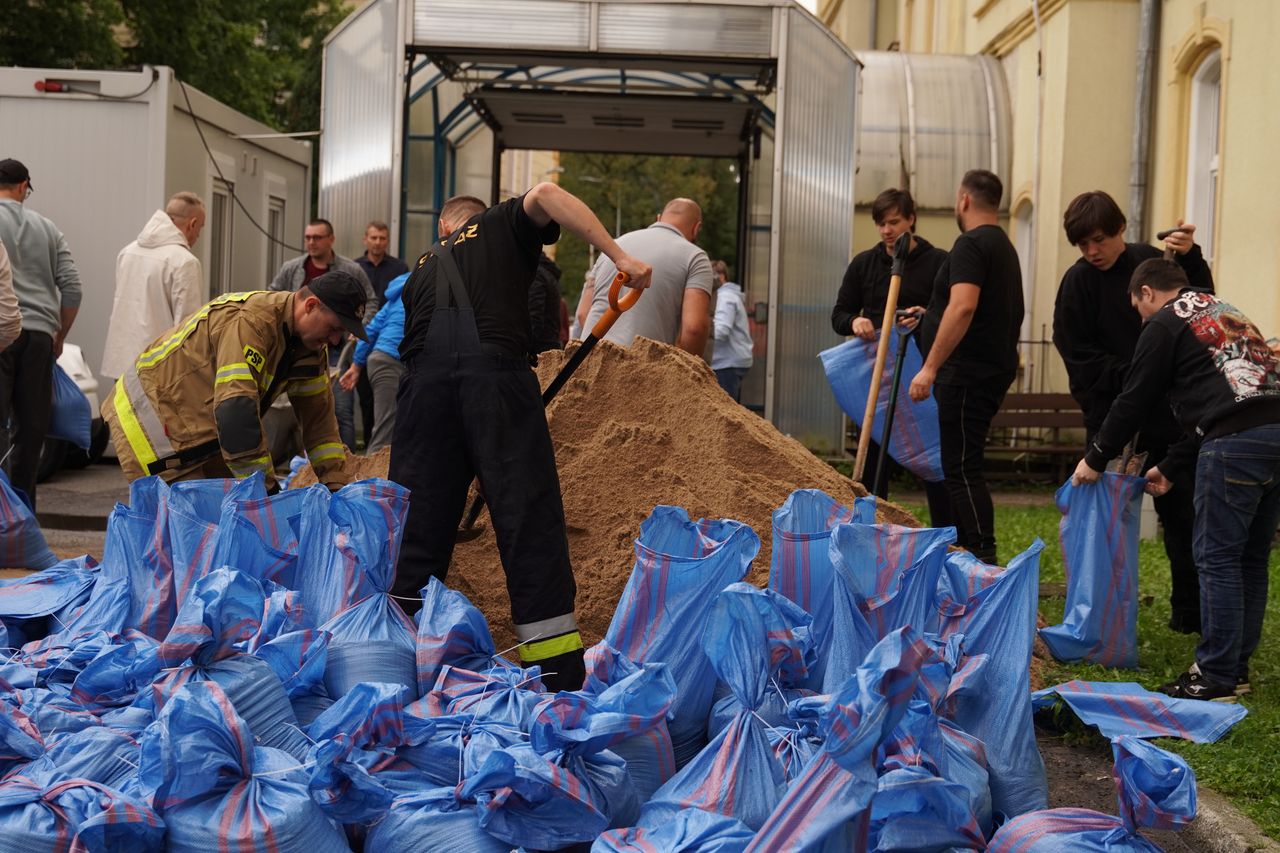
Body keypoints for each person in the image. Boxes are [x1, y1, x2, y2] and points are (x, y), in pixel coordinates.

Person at [391, 184, 652, 692]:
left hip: (421, 395)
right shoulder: (498, 224)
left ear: (442, 228)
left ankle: (399, 665)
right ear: (475, 221)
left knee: (416, 530)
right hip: (495, 381)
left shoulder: (419, 269)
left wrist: (474, 457)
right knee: (528, 523)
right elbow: (550, 192)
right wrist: (620, 256)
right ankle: (556, 679)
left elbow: (436, 359)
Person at [1072, 259, 1280, 701]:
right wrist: (1169, 465)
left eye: (1139, 310)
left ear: (1147, 292)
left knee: (1218, 558)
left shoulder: (1166, 322)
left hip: (1236, 443)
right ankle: (1235, 669)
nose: (1142, 320)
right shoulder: (1223, 310)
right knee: (1249, 558)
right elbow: (1223, 403)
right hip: (1273, 433)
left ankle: (1215, 675)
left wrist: (1095, 457)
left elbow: (1134, 397)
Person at [1053, 190, 1213, 634]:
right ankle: (1100, 613)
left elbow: (1198, 305)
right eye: (1082, 244)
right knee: (1103, 523)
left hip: (1171, 419)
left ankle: (1190, 614)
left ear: (1121, 229)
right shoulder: (1077, 282)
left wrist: (1192, 258)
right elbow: (1074, 349)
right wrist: (1133, 377)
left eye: (1099, 240)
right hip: (1110, 419)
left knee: (1183, 518)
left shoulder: (1149, 263)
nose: (1091, 252)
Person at [102, 271, 367, 494]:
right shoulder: (251, 322)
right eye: (333, 328)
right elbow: (236, 411)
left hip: (201, 429)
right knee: (194, 535)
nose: (334, 341)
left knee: (223, 530)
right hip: (150, 421)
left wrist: (335, 486)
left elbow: (319, 424)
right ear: (310, 306)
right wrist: (266, 490)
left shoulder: (310, 348)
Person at [909, 169, 1024, 565]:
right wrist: (930, 315)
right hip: (989, 370)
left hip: (966, 374)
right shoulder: (1003, 246)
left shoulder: (971, 244)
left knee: (960, 467)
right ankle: (968, 554)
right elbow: (981, 309)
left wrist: (930, 368)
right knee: (964, 464)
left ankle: (980, 557)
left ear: (963, 200)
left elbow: (964, 306)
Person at [832, 187, 951, 522]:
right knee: (874, 460)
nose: (887, 230)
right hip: (878, 380)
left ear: (911, 219)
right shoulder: (864, 265)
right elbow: (839, 314)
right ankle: (870, 525)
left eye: (894, 222)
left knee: (934, 458)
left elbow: (950, 317)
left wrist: (926, 316)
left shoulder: (939, 262)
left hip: (922, 376)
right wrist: (855, 321)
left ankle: (946, 534)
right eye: (881, 223)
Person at [0, 158, 81, 507]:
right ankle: (22, 517)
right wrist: (58, 334)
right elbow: (73, 289)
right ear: (23, 186)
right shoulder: (48, 229)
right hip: (38, 337)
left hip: (1, 336)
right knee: (31, 430)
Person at [270, 218, 373, 451]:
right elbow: (274, 295)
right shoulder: (292, 268)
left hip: (339, 354)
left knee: (339, 407)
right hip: (300, 348)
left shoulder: (350, 270)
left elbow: (370, 302)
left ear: (331, 240)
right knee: (297, 408)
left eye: (317, 237)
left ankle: (346, 459)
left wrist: (355, 328)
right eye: (308, 238)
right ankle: (297, 463)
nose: (311, 242)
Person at [581, 198, 713, 355]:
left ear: (658, 218)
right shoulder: (695, 257)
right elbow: (694, 329)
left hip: (587, 362)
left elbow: (583, 313)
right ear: (696, 229)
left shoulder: (613, 247)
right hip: (640, 371)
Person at [102, 192, 206, 383]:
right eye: (200, 228)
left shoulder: (127, 252)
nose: (199, 235)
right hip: (159, 370)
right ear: (192, 224)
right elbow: (187, 328)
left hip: (123, 365)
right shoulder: (185, 262)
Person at [339, 271, 409, 455]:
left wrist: (357, 365)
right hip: (391, 360)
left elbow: (371, 329)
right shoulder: (425, 292)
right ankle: (371, 481)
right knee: (385, 427)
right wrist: (355, 365)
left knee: (393, 423)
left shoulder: (398, 296)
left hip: (379, 359)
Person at [709, 260, 752, 402]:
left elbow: (721, 331)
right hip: (731, 361)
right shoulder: (728, 296)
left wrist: (701, 329)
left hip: (727, 364)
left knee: (724, 413)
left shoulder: (725, 298)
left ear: (721, 277)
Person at [354, 220, 409, 305]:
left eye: (382, 238)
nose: (378, 242)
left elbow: (403, 299)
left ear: (388, 241)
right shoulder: (355, 267)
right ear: (365, 240)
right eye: (374, 238)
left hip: (390, 317)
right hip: (362, 317)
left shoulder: (400, 268)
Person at [529, 252, 564, 354]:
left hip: (539, 353)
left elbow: (533, 318)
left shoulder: (536, 275)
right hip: (549, 346)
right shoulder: (547, 273)